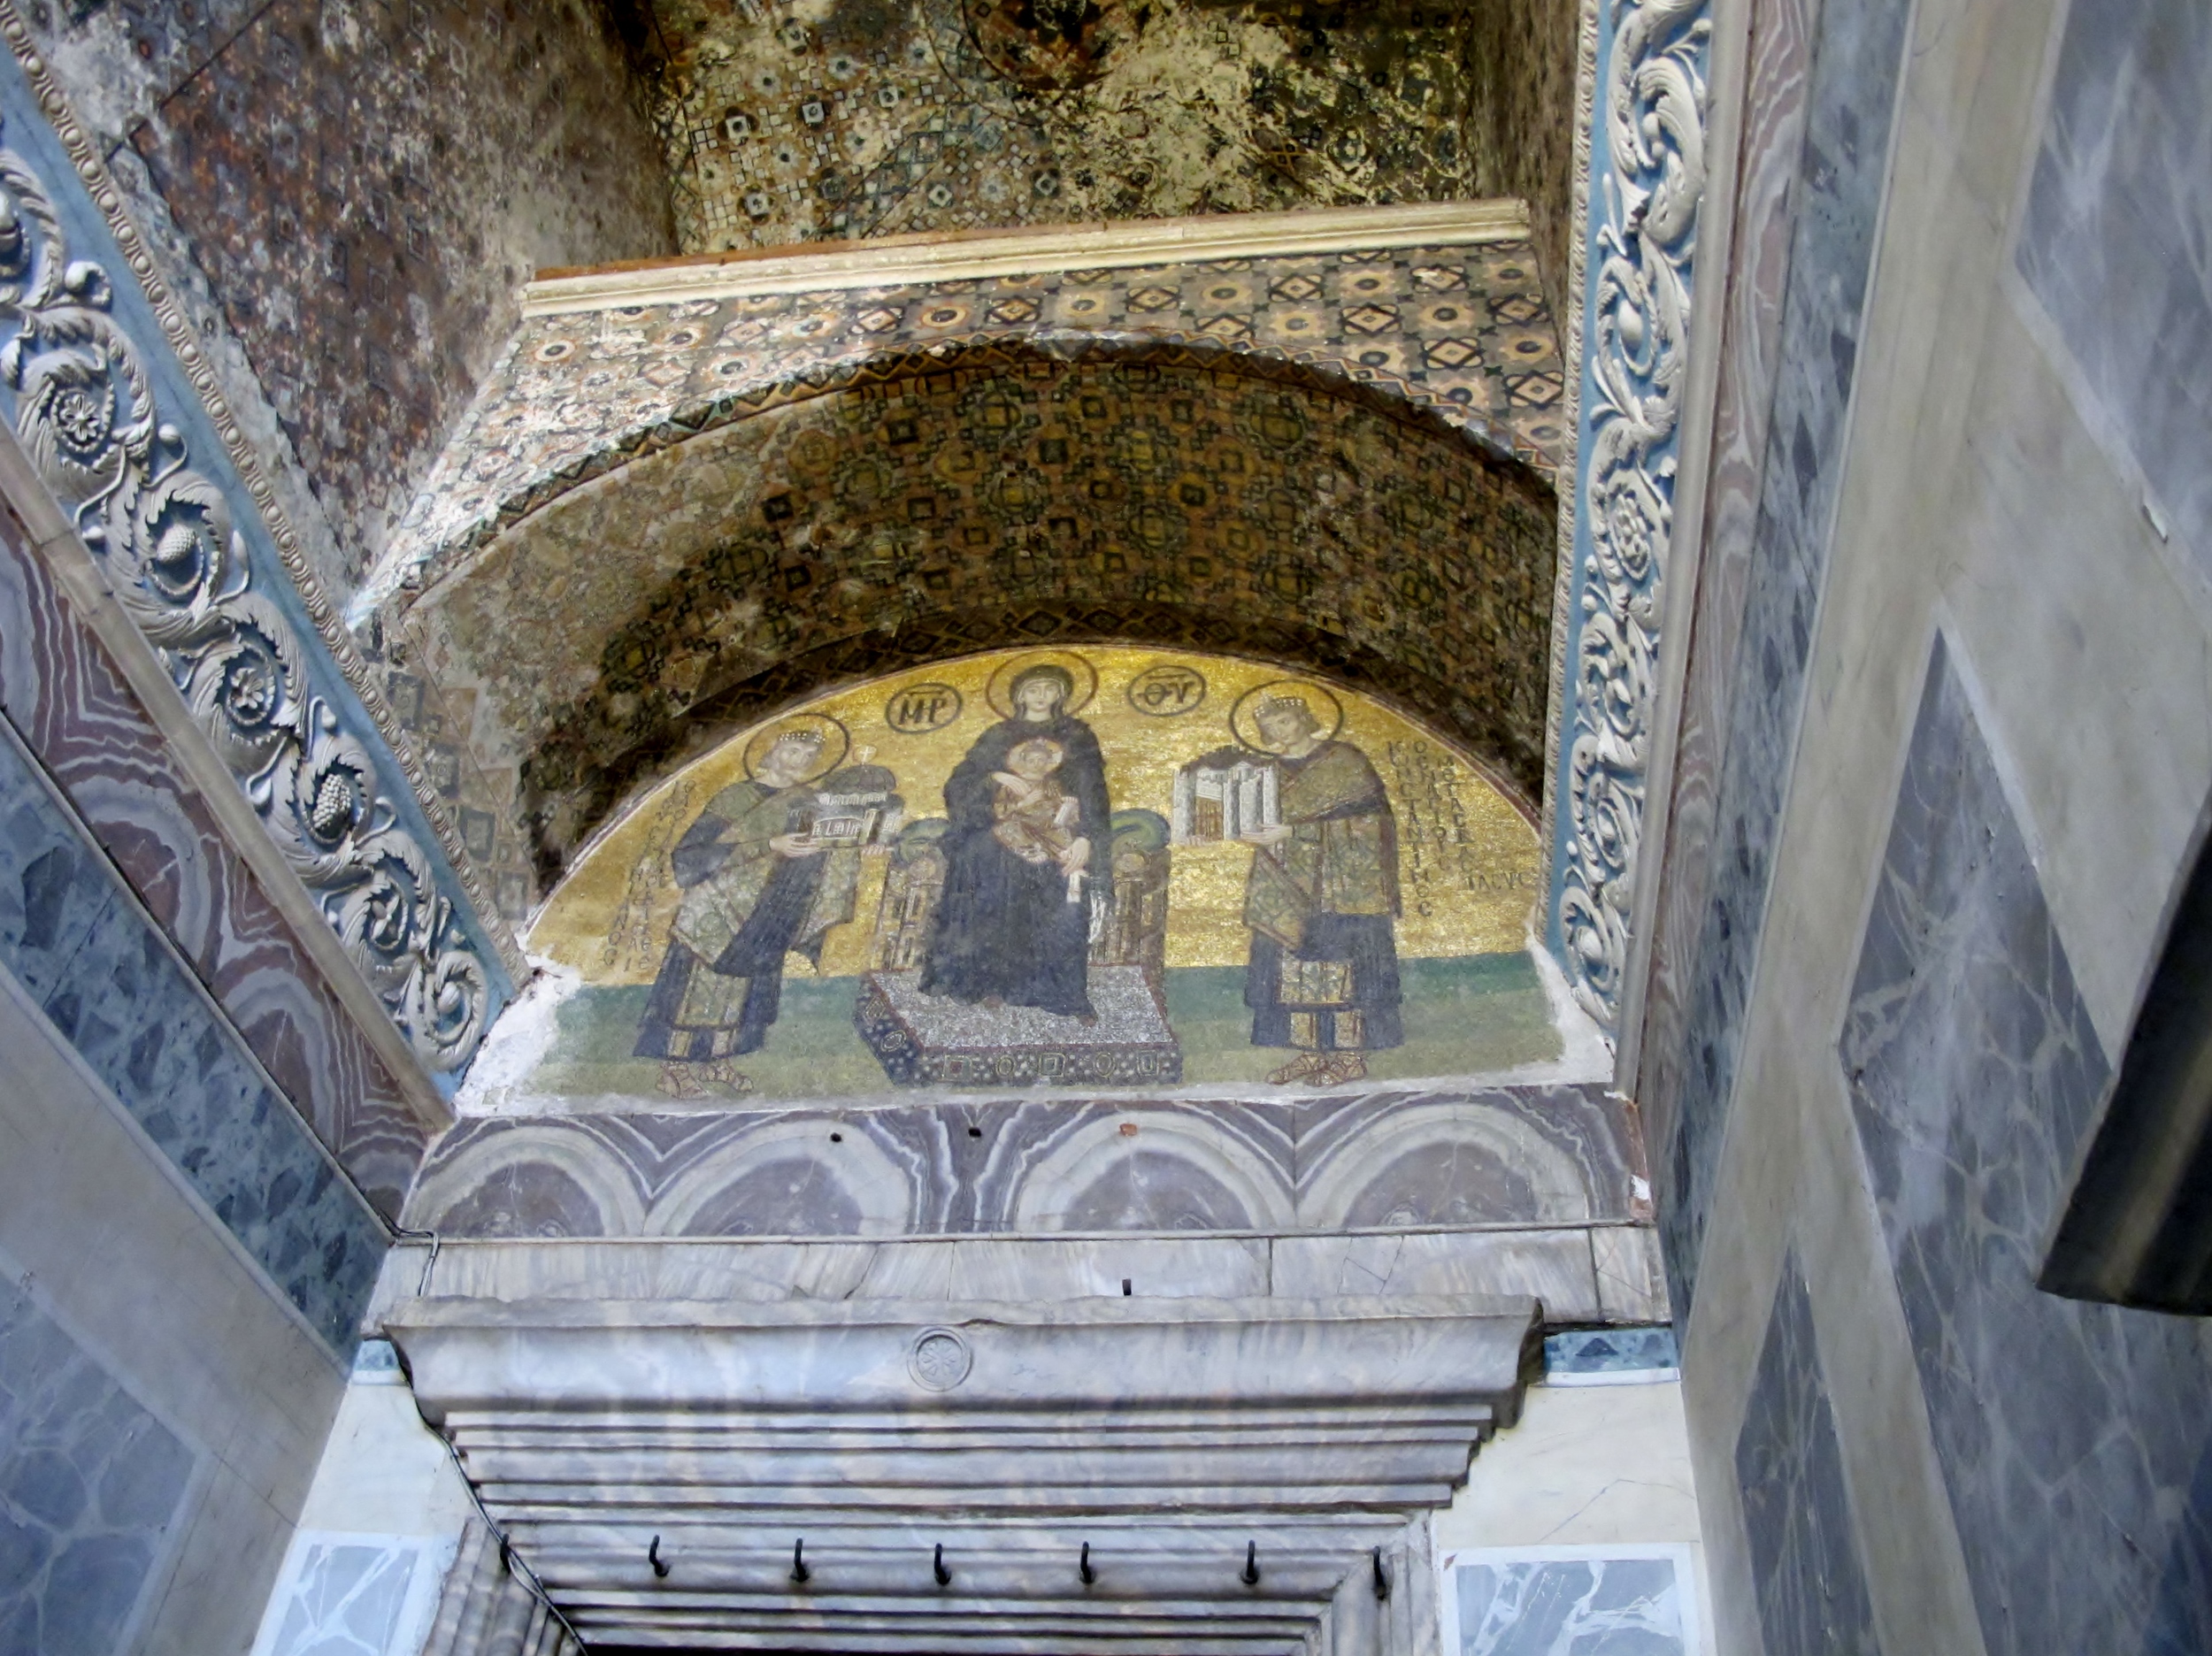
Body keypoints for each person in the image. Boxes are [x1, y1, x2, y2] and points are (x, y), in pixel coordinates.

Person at [633, 729, 894, 1096]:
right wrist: (771, 844)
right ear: (769, 751)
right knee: (697, 991)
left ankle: (718, 1061)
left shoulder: (808, 800)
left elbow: (825, 844)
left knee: (740, 992)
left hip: (768, 911)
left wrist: (856, 851)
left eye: (807, 756)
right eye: (792, 749)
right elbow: (691, 856)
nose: (799, 761)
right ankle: (674, 1068)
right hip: (717, 911)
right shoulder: (735, 796)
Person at [919, 663, 1110, 1017]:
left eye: (1049, 689)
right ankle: (990, 983)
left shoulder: (1076, 735)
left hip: (1060, 833)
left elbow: (1092, 790)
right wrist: (997, 777)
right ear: (1019, 695)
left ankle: (1058, 993)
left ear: (1061, 695)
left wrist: (1086, 838)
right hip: (998, 834)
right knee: (985, 862)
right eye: (1032, 689)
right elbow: (959, 785)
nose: (1041, 696)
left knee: (1066, 887)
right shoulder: (997, 736)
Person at [1239, 694, 1403, 1085]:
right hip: (1287, 882)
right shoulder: (1269, 771)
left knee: (1341, 967)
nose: (1279, 731)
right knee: (1294, 968)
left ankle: (1348, 1057)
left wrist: (1296, 832)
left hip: (1342, 887)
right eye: (1271, 726)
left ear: (1304, 718)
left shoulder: (1345, 762)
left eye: (1285, 721)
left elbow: (1374, 827)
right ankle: (1310, 1053)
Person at [990, 736, 1089, 903]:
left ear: (1048, 762)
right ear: (1024, 762)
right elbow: (1001, 811)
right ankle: (1030, 850)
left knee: (1061, 830)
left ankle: (1066, 857)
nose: (1037, 764)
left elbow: (1059, 809)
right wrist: (1024, 803)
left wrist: (1069, 806)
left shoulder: (1052, 785)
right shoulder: (1011, 785)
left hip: (1047, 823)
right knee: (1010, 828)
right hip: (1022, 821)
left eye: (1041, 760)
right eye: (1032, 760)